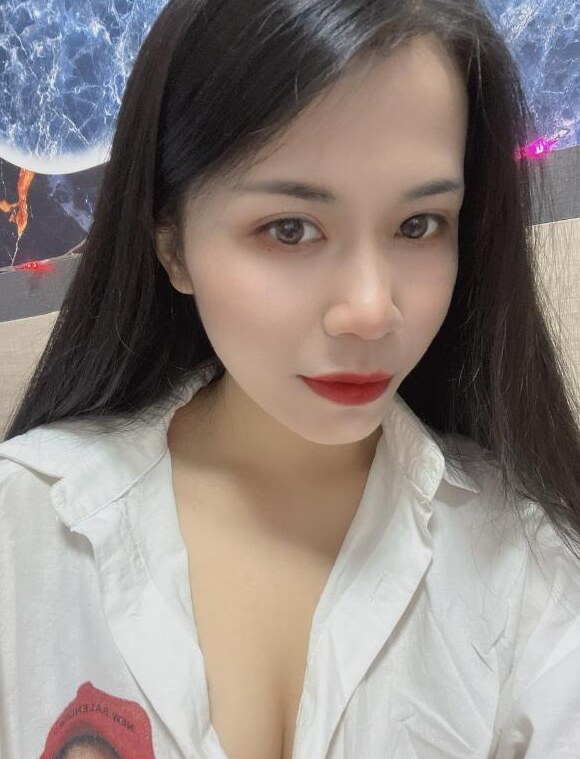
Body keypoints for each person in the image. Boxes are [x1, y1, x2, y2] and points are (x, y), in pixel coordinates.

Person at [1, 0, 579, 758]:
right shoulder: (25, 530)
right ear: (171, 245)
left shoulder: (530, 569)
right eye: (290, 229)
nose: (370, 311)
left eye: (419, 225)